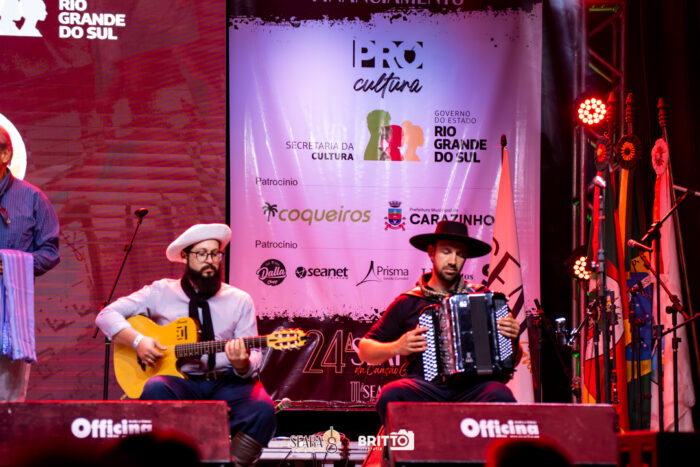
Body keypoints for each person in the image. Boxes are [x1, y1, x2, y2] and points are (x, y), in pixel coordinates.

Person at [95, 223, 275, 466]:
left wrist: (243, 364)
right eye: (201, 254)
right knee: (155, 387)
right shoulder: (160, 292)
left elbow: (254, 353)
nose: (210, 261)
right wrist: (139, 341)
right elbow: (106, 315)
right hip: (180, 384)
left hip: (225, 383)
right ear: (185, 256)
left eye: (215, 254)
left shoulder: (240, 300)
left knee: (263, 408)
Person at [358, 220, 520, 425]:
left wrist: (511, 338)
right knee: (391, 395)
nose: (453, 260)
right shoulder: (409, 301)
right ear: (431, 253)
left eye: (460, 254)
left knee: (500, 394)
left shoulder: (484, 298)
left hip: (473, 387)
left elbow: (513, 359)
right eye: (446, 252)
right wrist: (397, 347)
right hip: (425, 387)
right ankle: (406, 447)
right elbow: (364, 350)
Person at [0, 124, 60, 401]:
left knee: (6, 405)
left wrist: (10, 264)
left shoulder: (33, 199)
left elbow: (50, 252)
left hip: (11, 313)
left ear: (5, 155)